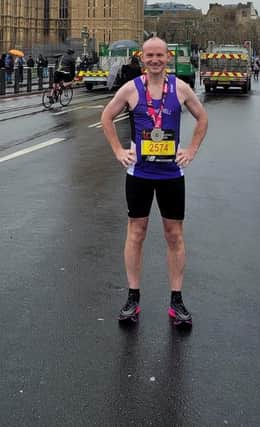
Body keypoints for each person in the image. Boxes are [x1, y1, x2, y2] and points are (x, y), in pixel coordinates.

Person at [100, 37, 209, 327]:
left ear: (168, 57)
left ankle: (177, 301)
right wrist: (118, 151)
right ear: (142, 57)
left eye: (160, 55)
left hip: (172, 174)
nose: (155, 60)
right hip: (140, 174)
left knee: (174, 235)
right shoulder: (131, 88)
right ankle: (132, 298)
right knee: (137, 232)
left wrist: (191, 150)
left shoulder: (180, 88)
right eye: (150, 55)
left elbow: (202, 118)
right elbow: (107, 117)